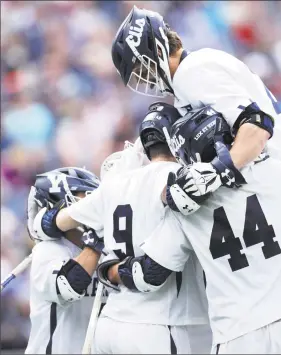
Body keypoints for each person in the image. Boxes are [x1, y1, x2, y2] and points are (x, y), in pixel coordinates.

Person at [110, 7, 281, 342]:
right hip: (277, 193)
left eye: (140, 65)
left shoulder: (191, 72)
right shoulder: (204, 67)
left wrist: (216, 173)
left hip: (240, 319)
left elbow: (257, 127)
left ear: (155, 47)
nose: (144, 77)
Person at [104, 107, 281, 354]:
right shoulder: (272, 171)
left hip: (236, 332)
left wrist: (109, 270)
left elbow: (150, 274)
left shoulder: (185, 206)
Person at [32, 103, 211, 354]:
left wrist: (43, 224)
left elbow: (49, 224)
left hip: (109, 324)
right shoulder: (185, 179)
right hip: (164, 320)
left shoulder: (115, 184)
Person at [25, 167, 106, 354]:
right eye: (85, 196)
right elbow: (70, 284)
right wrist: (97, 242)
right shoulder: (47, 251)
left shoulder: (107, 249)